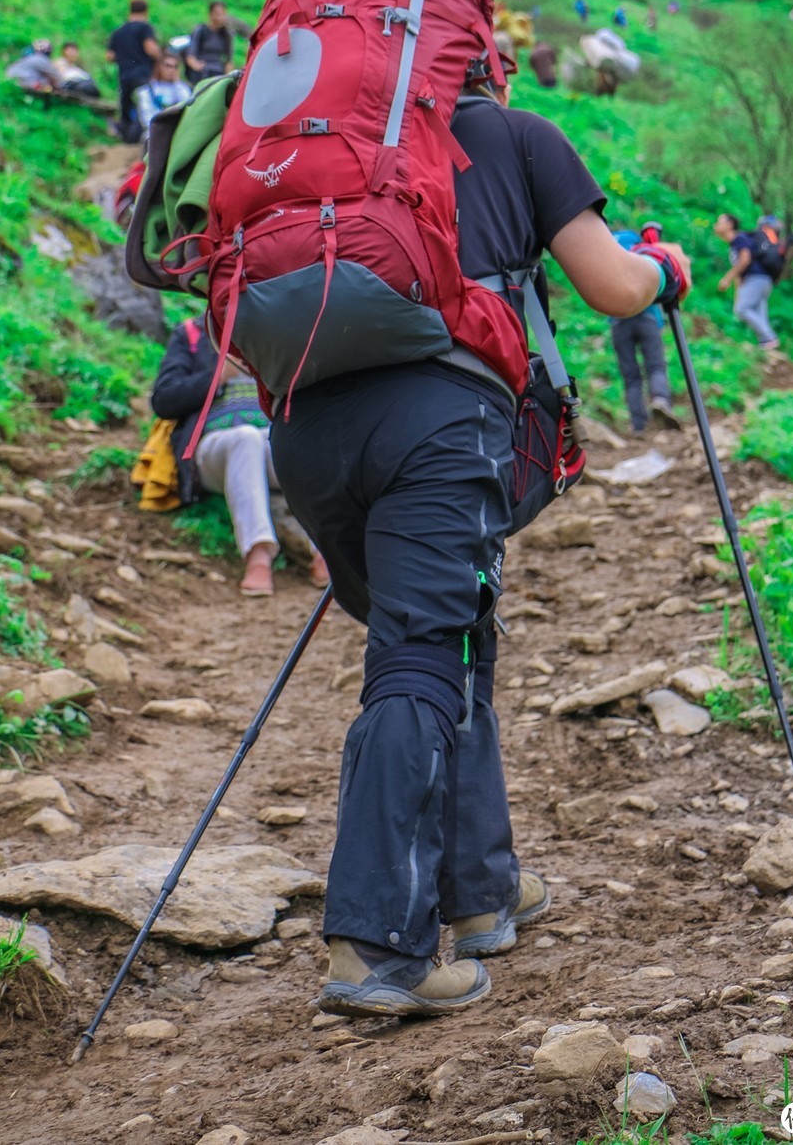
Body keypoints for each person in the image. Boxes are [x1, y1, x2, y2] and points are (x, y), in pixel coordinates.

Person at [269, 55, 692, 1018]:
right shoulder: (515, 135)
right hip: (440, 419)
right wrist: (665, 268)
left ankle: (480, 893)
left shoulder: (320, 138)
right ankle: (376, 948)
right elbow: (615, 289)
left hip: (303, 426)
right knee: (424, 653)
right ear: (477, 44)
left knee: (452, 635)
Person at [152, 320, 328, 597]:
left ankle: (326, 555)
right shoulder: (193, 333)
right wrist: (217, 376)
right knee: (246, 438)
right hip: (214, 448)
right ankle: (258, 556)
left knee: (302, 443)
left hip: (271, 441)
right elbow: (163, 400)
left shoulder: (278, 328)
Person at [608, 225, 681, 435]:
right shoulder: (641, 247)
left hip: (619, 321)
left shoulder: (607, 250)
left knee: (630, 374)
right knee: (656, 365)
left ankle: (638, 424)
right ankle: (660, 399)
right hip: (647, 316)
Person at [714, 213, 778, 350]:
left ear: (730, 225)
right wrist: (737, 293)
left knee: (741, 309)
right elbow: (740, 273)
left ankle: (770, 337)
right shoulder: (734, 244)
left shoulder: (739, 238)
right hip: (760, 280)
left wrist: (726, 279)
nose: (716, 225)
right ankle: (767, 343)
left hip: (757, 278)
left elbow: (745, 260)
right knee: (759, 313)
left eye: (719, 222)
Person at [107, 0, 161, 144]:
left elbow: (110, 56)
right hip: (141, 74)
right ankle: (150, 137)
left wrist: (124, 56)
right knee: (145, 105)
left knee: (126, 106)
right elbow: (150, 48)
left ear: (130, 11)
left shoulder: (118, 31)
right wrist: (158, 54)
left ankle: (126, 138)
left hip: (124, 75)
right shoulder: (145, 28)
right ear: (145, 12)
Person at [134, 48, 192, 133]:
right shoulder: (147, 90)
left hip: (179, 131)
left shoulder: (181, 87)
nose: (171, 70)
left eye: (175, 67)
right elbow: (146, 118)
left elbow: (188, 106)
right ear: (159, 67)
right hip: (155, 131)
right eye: (168, 66)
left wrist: (177, 83)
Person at [184, 1, 240, 87]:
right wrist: (198, 67)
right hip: (203, 71)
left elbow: (229, 59)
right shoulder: (201, 31)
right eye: (218, 14)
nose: (221, 17)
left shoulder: (226, 34)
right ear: (210, 14)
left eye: (223, 14)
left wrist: (228, 77)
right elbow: (191, 56)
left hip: (218, 71)